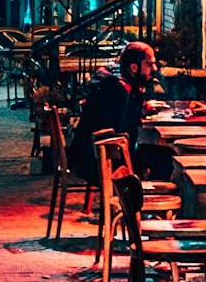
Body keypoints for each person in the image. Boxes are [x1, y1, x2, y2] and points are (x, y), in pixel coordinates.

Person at [66, 41, 159, 184]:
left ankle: (141, 198)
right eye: (149, 64)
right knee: (167, 158)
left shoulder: (115, 85)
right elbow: (118, 131)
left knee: (155, 154)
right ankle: (141, 201)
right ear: (133, 68)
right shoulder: (118, 91)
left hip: (91, 157)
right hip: (100, 161)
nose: (154, 69)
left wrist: (140, 110)